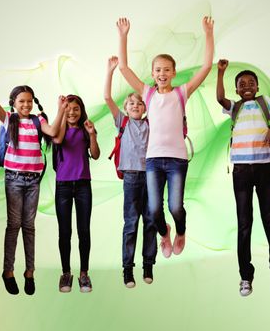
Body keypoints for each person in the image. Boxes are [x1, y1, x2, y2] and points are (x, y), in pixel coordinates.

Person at [116, 16, 214, 258]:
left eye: (166, 70)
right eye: (158, 70)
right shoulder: (148, 94)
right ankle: (164, 233)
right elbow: (124, 68)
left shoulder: (181, 93)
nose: (162, 73)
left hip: (176, 160)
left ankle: (180, 231)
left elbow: (206, 67)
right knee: (153, 209)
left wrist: (208, 34)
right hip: (153, 160)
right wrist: (123, 36)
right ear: (152, 73)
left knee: (175, 206)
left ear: (173, 73)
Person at [0, 62, 66, 295]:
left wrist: (60, 109)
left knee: (29, 226)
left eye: (29, 101)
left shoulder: (39, 121)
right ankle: (8, 271)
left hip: (33, 181)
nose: (26, 105)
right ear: (14, 104)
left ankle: (30, 272)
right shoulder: (10, 120)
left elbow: (54, 132)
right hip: (14, 179)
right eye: (21, 102)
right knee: (13, 225)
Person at [216, 59, 270, 297]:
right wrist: (220, 72)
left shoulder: (267, 103)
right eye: (242, 83)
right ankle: (245, 277)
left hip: (264, 167)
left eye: (251, 83)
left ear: (257, 87)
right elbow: (219, 99)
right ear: (236, 89)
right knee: (244, 224)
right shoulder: (234, 108)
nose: (247, 86)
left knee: (269, 220)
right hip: (241, 171)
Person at [104, 56, 157, 288]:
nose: (135, 106)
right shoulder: (122, 122)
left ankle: (148, 265)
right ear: (125, 109)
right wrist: (111, 71)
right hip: (132, 177)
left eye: (139, 103)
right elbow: (107, 97)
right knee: (131, 222)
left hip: (152, 175)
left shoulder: (151, 123)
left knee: (151, 221)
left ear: (145, 107)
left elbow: (161, 105)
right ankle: (128, 269)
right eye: (131, 104)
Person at [53, 95, 100, 293]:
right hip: (63, 186)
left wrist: (92, 135)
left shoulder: (85, 130)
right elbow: (58, 139)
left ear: (81, 111)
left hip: (83, 185)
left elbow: (96, 155)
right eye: (68, 108)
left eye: (76, 109)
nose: (72, 112)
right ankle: (66, 273)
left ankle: (84, 274)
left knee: (84, 231)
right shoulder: (58, 130)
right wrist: (60, 110)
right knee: (65, 232)